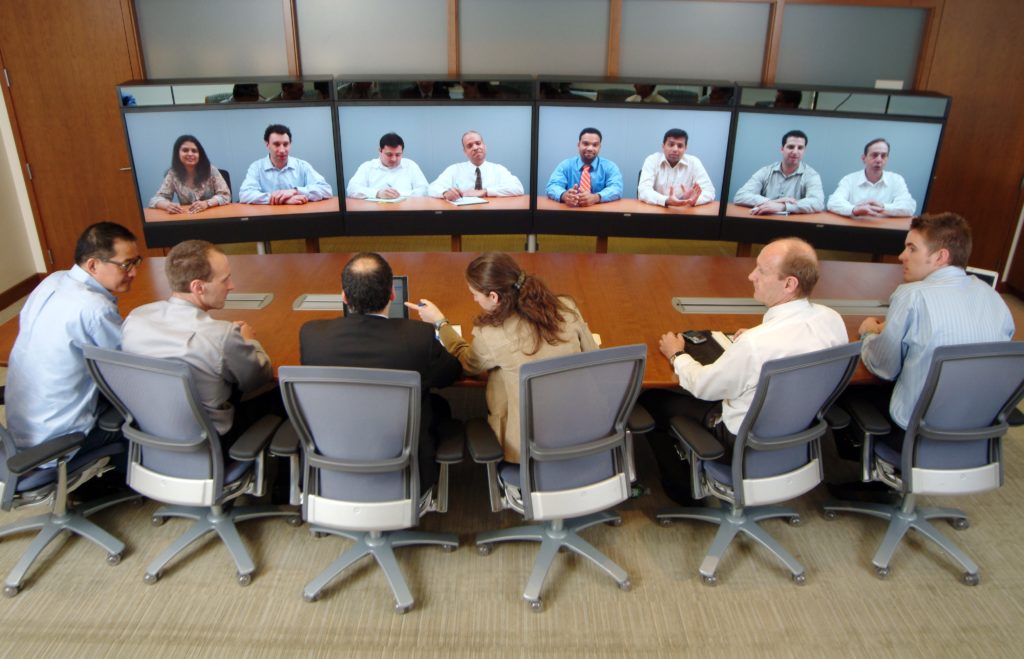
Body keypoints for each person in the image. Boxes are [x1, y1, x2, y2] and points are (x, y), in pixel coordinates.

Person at [637, 238, 848, 505]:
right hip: (798, 431)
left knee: (653, 399)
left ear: (789, 284)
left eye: (761, 271)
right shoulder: (831, 320)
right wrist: (758, 337)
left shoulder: (757, 345)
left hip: (741, 441)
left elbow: (703, 386)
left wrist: (677, 354)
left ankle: (682, 489)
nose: (751, 276)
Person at [407, 252, 599, 464]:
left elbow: (466, 363)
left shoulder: (492, 333)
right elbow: (594, 356)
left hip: (528, 447)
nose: (474, 299)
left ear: (494, 297)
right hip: (584, 428)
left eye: (475, 294)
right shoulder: (565, 306)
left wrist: (441, 323)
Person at [299, 253, 461, 493]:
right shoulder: (419, 337)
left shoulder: (312, 336)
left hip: (329, 467)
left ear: (343, 296)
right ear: (392, 294)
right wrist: (441, 325)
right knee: (439, 406)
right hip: (406, 473)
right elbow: (453, 374)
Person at [857, 213, 1014, 431]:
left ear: (941, 257)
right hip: (979, 428)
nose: (902, 256)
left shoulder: (912, 295)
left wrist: (869, 334)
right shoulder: (994, 297)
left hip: (918, 431)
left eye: (912, 248)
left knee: (855, 393)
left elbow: (884, 367)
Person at [121, 240, 279, 444]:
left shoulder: (135, 319)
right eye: (225, 280)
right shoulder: (221, 336)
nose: (232, 286)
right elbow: (259, 377)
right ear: (198, 287)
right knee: (279, 397)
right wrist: (249, 342)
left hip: (149, 433)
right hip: (210, 441)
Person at [5, 222, 141, 453]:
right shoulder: (94, 308)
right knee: (146, 409)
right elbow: (130, 370)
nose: (134, 272)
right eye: (126, 264)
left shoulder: (52, 281)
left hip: (21, 431)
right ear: (92, 265)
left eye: (136, 262)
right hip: (61, 439)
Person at [733, 130, 824, 215]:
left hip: (794, 226)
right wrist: (772, 202)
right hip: (764, 221)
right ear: (782, 149)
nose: (795, 151)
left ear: (804, 151)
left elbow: (818, 203)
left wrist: (783, 206)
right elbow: (740, 196)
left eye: (800, 148)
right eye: (791, 147)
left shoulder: (811, 175)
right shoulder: (766, 171)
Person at [238, 124, 333, 205]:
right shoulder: (256, 167)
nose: (282, 150)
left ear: (290, 144)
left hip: (299, 218)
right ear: (267, 144)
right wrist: (283, 199)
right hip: (268, 220)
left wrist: (295, 191)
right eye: (276, 144)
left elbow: (326, 190)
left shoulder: (302, 165)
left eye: (286, 144)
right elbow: (245, 194)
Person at [827, 138, 917, 218]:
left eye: (883, 156)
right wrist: (854, 209)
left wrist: (883, 206)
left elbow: (909, 207)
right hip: (854, 229)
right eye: (874, 155)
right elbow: (833, 203)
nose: (879, 160)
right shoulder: (849, 179)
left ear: (887, 159)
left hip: (885, 231)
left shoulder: (896, 180)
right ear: (863, 158)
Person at [427, 130, 524, 200]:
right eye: (469, 146)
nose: (475, 147)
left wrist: (486, 191)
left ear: (484, 146)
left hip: (492, 216)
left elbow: (518, 188)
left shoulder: (498, 169)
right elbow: (432, 188)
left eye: (478, 143)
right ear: (465, 151)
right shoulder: (454, 169)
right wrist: (445, 193)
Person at [148, 135, 231, 214]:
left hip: (213, 216)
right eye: (185, 150)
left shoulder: (210, 170)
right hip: (188, 218)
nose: (190, 154)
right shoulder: (173, 174)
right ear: (177, 153)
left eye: (194, 151)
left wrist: (207, 203)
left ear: (199, 155)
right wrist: (167, 205)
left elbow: (225, 196)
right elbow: (155, 200)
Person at [637, 128, 716, 208]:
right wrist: (666, 200)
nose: (675, 149)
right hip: (655, 212)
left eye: (680, 146)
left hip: (684, 213)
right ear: (663, 146)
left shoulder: (694, 162)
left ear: (685, 149)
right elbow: (643, 191)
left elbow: (709, 192)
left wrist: (691, 200)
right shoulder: (652, 160)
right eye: (671, 144)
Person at [546, 127, 623, 207]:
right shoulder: (566, 165)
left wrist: (596, 197)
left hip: (599, 215)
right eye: (586, 144)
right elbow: (552, 186)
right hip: (570, 212)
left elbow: (616, 188)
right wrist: (564, 195)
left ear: (599, 147)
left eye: (595, 145)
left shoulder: (610, 167)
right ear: (578, 145)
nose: (590, 148)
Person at [346, 132, 429, 199]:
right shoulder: (367, 167)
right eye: (389, 154)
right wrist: (377, 193)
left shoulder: (411, 165)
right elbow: (352, 189)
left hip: (406, 212)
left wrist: (399, 194)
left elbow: (425, 190)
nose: (394, 159)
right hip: (375, 214)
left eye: (398, 155)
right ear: (380, 151)